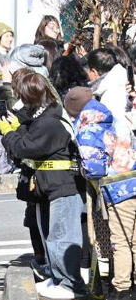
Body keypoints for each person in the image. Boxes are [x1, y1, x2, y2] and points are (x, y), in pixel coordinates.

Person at [0, 72, 86, 299]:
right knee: (53, 236)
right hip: (52, 185)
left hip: (63, 185)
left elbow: (25, 148)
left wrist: (8, 132)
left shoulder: (50, 121)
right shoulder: (46, 115)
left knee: (62, 236)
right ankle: (58, 279)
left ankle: (70, 285)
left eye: (21, 95)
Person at [64, 87, 136, 300]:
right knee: (134, 239)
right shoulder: (107, 116)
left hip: (118, 189)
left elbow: (95, 167)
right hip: (132, 179)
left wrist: (80, 168)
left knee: (121, 241)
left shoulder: (88, 129)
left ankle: (122, 289)